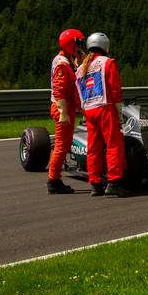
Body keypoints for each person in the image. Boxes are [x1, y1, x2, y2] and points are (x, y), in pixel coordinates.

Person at [75, 31, 129, 197]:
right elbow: (115, 89)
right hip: (105, 107)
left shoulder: (81, 68)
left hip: (89, 111)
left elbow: (78, 95)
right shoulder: (107, 63)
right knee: (114, 144)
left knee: (94, 147)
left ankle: (95, 184)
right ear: (105, 46)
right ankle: (113, 182)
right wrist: (120, 111)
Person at [47, 28, 85, 194]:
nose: (80, 46)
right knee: (61, 146)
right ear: (70, 43)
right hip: (62, 108)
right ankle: (53, 180)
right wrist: (63, 112)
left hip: (66, 107)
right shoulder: (62, 64)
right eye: (77, 43)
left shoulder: (64, 60)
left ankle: (55, 179)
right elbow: (59, 90)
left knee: (64, 144)